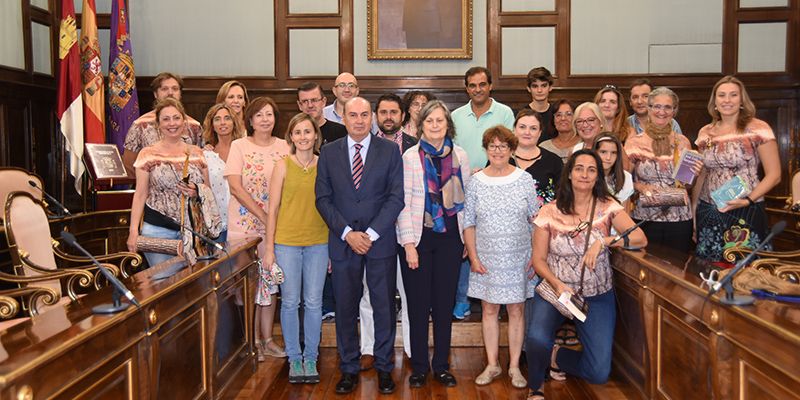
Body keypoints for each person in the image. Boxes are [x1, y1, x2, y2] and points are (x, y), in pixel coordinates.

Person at [525, 150, 647, 400]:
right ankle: (535, 386)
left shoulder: (608, 206)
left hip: (596, 295)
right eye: (579, 168)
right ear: (569, 173)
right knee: (536, 338)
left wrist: (605, 241)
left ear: (598, 176)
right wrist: (557, 284)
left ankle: (556, 356)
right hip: (556, 293)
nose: (584, 174)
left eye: (591, 170)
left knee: (598, 373)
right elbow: (538, 260)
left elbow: (639, 238)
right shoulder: (549, 211)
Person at [315, 97, 404, 395]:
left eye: (365, 115)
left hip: (379, 242)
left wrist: (371, 234)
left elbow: (396, 197)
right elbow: (323, 199)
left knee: (383, 306)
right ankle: (349, 368)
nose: (359, 120)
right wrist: (347, 234)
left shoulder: (389, 151)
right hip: (344, 243)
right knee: (345, 307)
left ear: (372, 118)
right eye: (353, 115)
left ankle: (384, 367)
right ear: (344, 118)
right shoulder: (329, 152)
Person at [397, 100, 470, 388]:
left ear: (448, 124)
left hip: (451, 239)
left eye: (440, 120)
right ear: (421, 125)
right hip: (419, 239)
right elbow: (402, 203)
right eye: (430, 121)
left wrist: (467, 239)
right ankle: (419, 367)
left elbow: (467, 201)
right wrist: (408, 245)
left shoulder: (460, 155)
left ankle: (440, 365)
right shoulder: (410, 157)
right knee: (417, 306)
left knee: (443, 305)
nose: (436, 125)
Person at [465, 126, 540, 389]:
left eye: (503, 146)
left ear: (511, 149)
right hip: (486, 258)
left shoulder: (524, 179)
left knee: (516, 310)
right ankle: (492, 364)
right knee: (489, 309)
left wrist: (536, 255)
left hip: (519, 257)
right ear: (486, 149)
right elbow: (468, 223)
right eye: (492, 146)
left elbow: (536, 220)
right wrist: (473, 257)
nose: (497, 150)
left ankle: (515, 366)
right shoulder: (476, 181)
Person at [224, 96, 291, 361]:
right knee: (248, 286)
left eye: (269, 114)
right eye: (259, 115)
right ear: (250, 120)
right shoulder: (239, 146)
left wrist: (273, 220)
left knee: (270, 283)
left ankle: (268, 339)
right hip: (244, 227)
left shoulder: (285, 146)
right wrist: (263, 215)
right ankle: (250, 342)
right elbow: (235, 187)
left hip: (277, 228)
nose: (265, 119)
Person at [264, 113, 328, 384]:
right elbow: (273, 209)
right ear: (290, 136)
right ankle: (294, 358)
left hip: (319, 242)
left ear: (316, 135)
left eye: (307, 132)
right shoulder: (282, 166)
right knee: (290, 302)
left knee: (313, 302)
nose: (303, 137)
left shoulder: (324, 164)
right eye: (297, 132)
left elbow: (332, 206)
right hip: (287, 243)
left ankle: (310, 356)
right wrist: (269, 248)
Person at [356, 93, 417, 366]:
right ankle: (369, 349)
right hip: (375, 233)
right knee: (371, 293)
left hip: (409, 233)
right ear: (375, 116)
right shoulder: (364, 146)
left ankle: (412, 349)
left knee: (410, 292)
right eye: (383, 112)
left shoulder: (416, 146)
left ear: (403, 116)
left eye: (394, 112)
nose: (389, 117)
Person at [693, 76, 781, 261]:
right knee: (709, 266)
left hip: (746, 208)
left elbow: (774, 175)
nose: (727, 100)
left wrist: (747, 200)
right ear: (714, 101)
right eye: (721, 95)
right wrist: (694, 209)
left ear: (742, 100)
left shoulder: (758, 128)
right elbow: (702, 173)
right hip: (709, 209)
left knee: (744, 268)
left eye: (733, 95)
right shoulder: (706, 132)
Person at [452, 66, 514, 319]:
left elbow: (508, 146)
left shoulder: (504, 113)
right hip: (463, 188)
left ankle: (497, 298)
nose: (477, 89)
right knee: (465, 242)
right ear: (466, 88)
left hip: (497, 185)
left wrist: (487, 170)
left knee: (493, 242)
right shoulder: (456, 116)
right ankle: (462, 299)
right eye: (472, 85)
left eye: (482, 84)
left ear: (490, 86)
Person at [126, 98, 209, 267]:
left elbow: (207, 190)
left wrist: (197, 191)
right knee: (162, 279)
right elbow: (140, 194)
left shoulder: (197, 153)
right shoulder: (147, 154)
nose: (172, 123)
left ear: (184, 122)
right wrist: (133, 231)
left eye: (176, 118)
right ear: (158, 124)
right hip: (158, 230)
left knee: (194, 281)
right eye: (166, 119)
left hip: (193, 231)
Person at [625, 87, 694, 252]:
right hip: (645, 218)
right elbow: (623, 180)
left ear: (674, 111)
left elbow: (687, 186)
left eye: (667, 107)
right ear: (648, 109)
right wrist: (640, 186)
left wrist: (693, 174)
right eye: (657, 106)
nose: (661, 112)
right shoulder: (634, 143)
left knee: (677, 265)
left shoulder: (683, 142)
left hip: (680, 218)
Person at [122, 72, 203, 175]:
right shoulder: (140, 125)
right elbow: (129, 165)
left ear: (180, 93)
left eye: (175, 89)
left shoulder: (194, 126)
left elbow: (202, 162)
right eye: (164, 89)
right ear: (155, 94)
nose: (170, 93)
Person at [201, 103, 244, 243]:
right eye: (217, 119)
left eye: (227, 118)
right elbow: (205, 191)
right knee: (218, 257)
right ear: (212, 125)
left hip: (244, 219)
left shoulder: (244, 150)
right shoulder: (207, 155)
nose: (223, 123)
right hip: (218, 223)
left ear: (234, 122)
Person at [509, 109, 563, 204]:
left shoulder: (554, 162)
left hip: (545, 213)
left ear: (540, 132)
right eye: (522, 127)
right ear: (514, 129)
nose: (527, 132)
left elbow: (563, 196)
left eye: (533, 128)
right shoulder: (500, 158)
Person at [593, 134, 634, 206]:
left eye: (613, 153)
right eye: (603, 152)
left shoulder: (625, 177)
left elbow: (625, 210)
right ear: (595, 152)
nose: (608, 157)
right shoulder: (587, 177)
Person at [520, 67, 556, 143]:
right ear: (529, 89)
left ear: (550, 87)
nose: (539, 90)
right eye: (535, 86)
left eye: (544, 86)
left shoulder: (556, 113)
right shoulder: (521, 114)